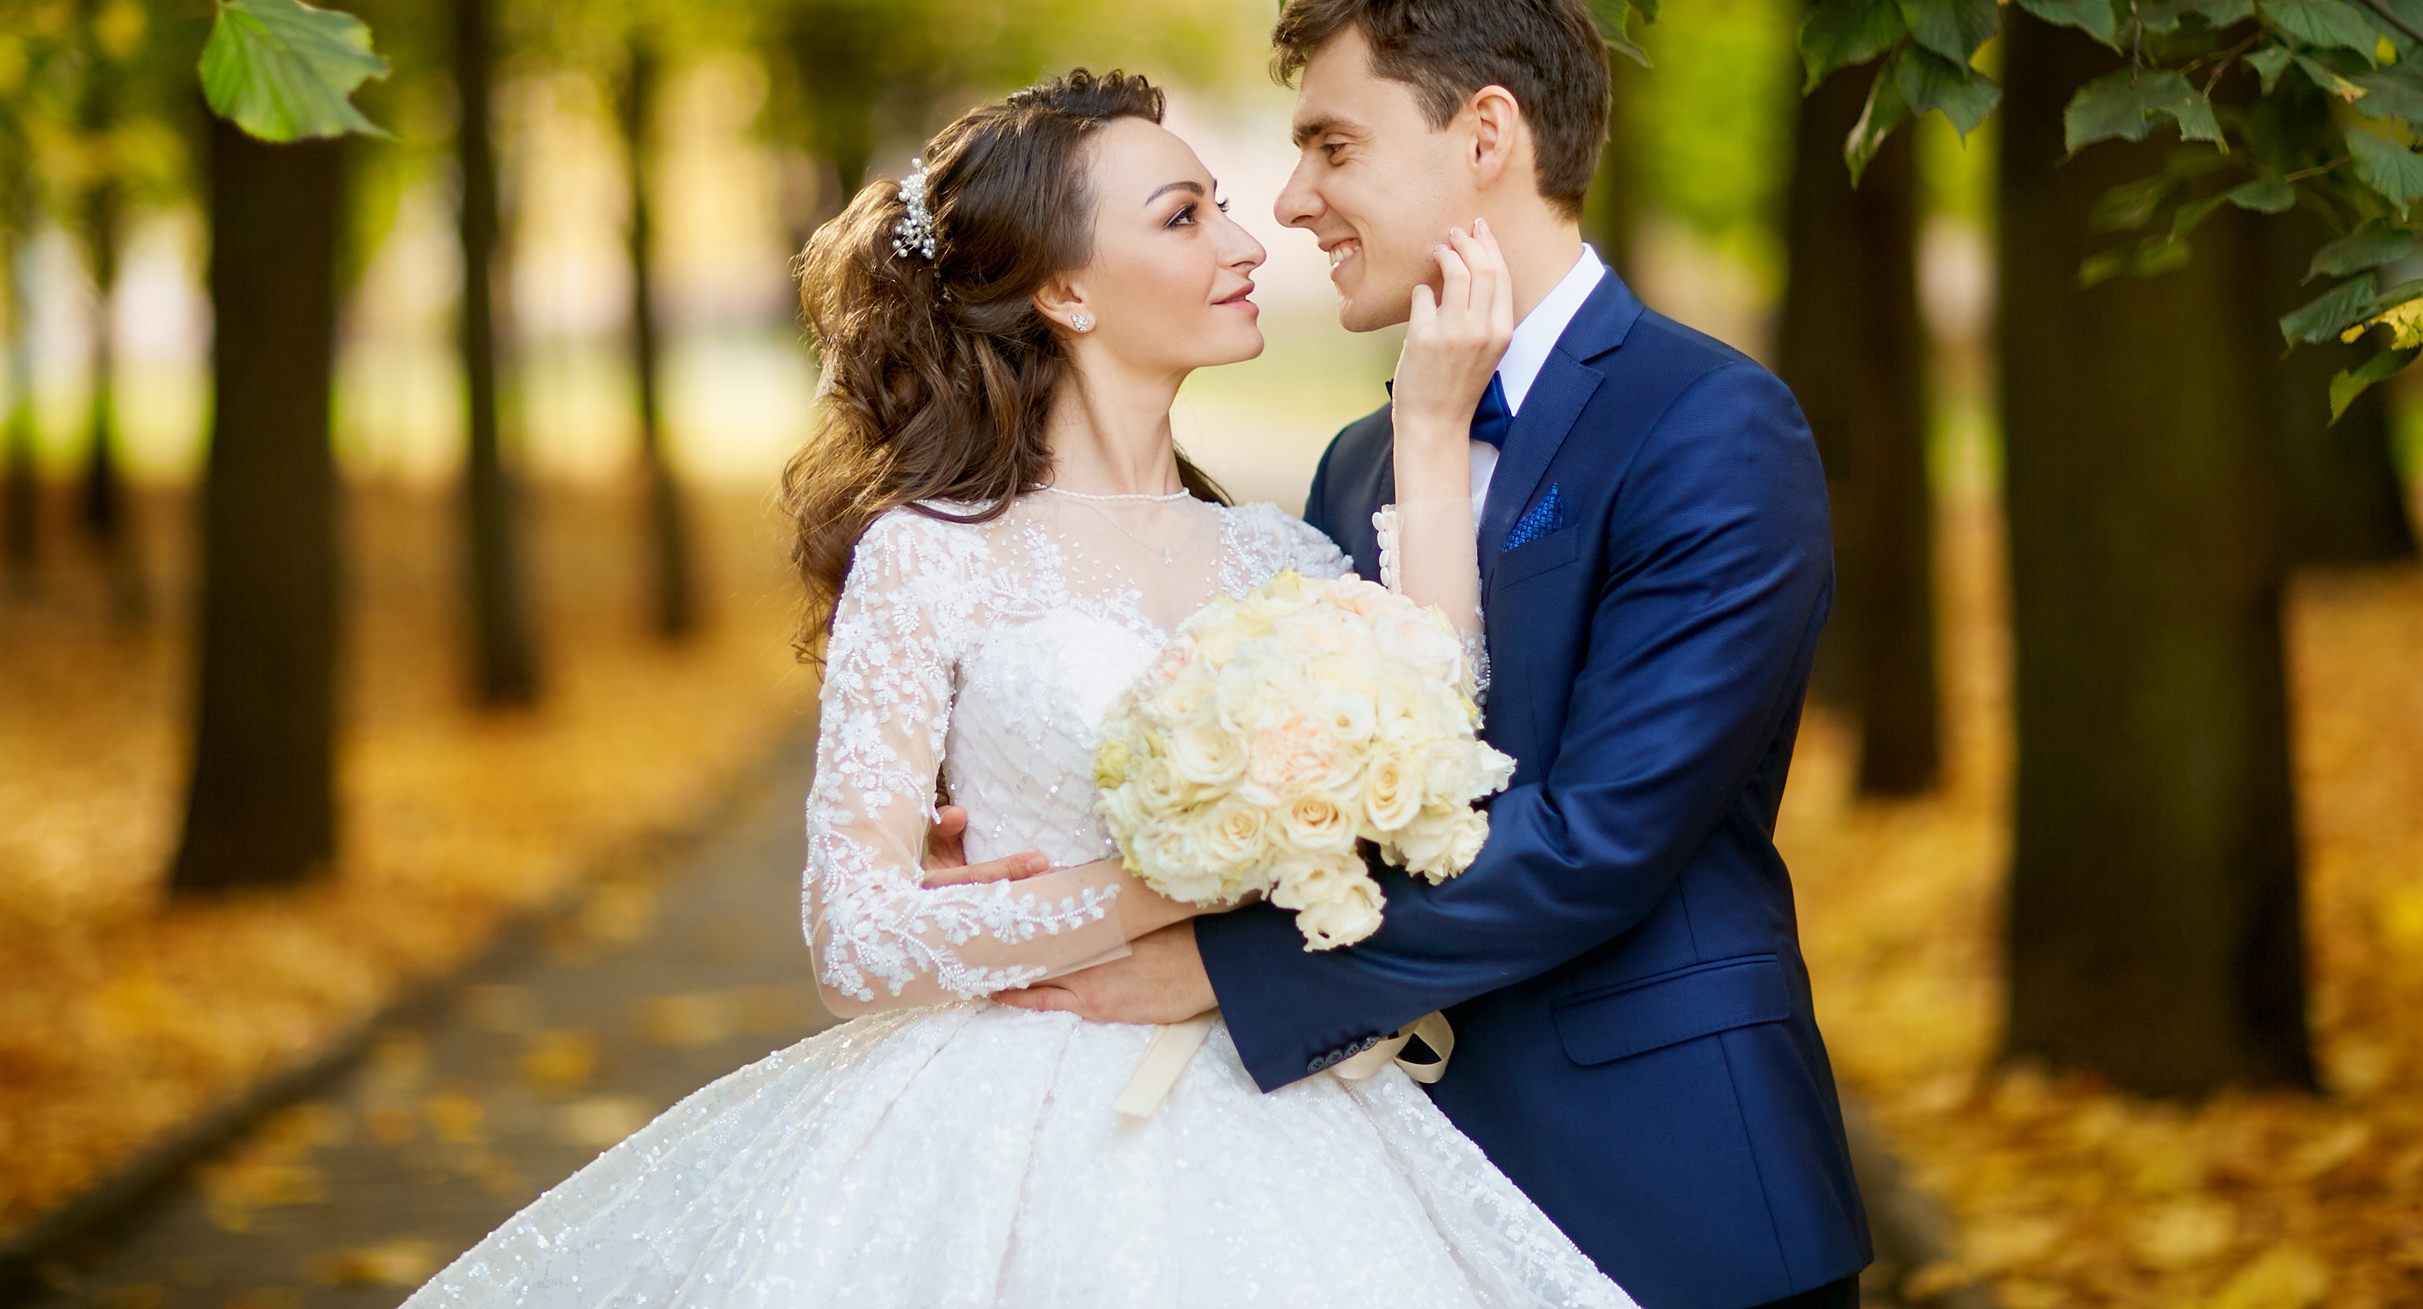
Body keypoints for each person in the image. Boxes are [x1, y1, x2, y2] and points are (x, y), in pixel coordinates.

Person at [403, 68, 1638, 1309]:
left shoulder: (1285, 553)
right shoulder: (931, 555)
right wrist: (1177, 882)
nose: (1247, 242)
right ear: (1063, 291)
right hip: (1010, 1121)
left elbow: (1438, 736)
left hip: (1282, 1106)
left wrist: (1428, 428)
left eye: (1219, 205)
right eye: (1183, 216)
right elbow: (857, 942)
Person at [988, 0, 1875, 1309]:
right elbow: (1316, 788)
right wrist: (1054, 847)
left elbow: (1601, 838)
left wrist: (1224, 967)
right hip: (1388, 1199)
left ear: (1486, 135)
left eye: (1333, 146)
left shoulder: (1707, 424)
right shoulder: (1360, 461)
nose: (1293, 200)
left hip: (1670, 1190)